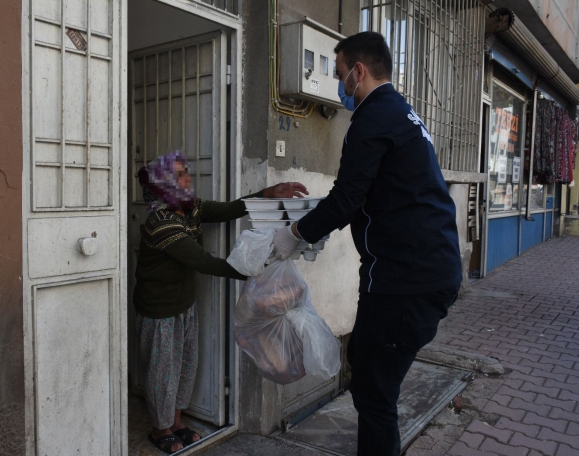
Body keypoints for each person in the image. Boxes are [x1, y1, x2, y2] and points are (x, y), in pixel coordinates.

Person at [272, 32, 462, 456]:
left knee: (374, 396)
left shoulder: (372, 118)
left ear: (358, 71)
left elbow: (346, 200)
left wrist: (294, 235)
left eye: (340, 75)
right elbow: (371, 194)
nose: (340, 86)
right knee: (364, 358)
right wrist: (322, 217)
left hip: (405, 280)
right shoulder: (402, 113)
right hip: (426, 272)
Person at [135, 150, 307, 454]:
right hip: (159, 311)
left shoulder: (190, 209)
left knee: (186, 365)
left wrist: (267, 194)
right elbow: (203, 262)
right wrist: (259, 272)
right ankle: (160, 428)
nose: (188, 178)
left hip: (184, 305)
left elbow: (230, 209)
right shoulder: (161, 224)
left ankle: (176, 422)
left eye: (186, 171)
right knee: (163, 371)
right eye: (179, 175)